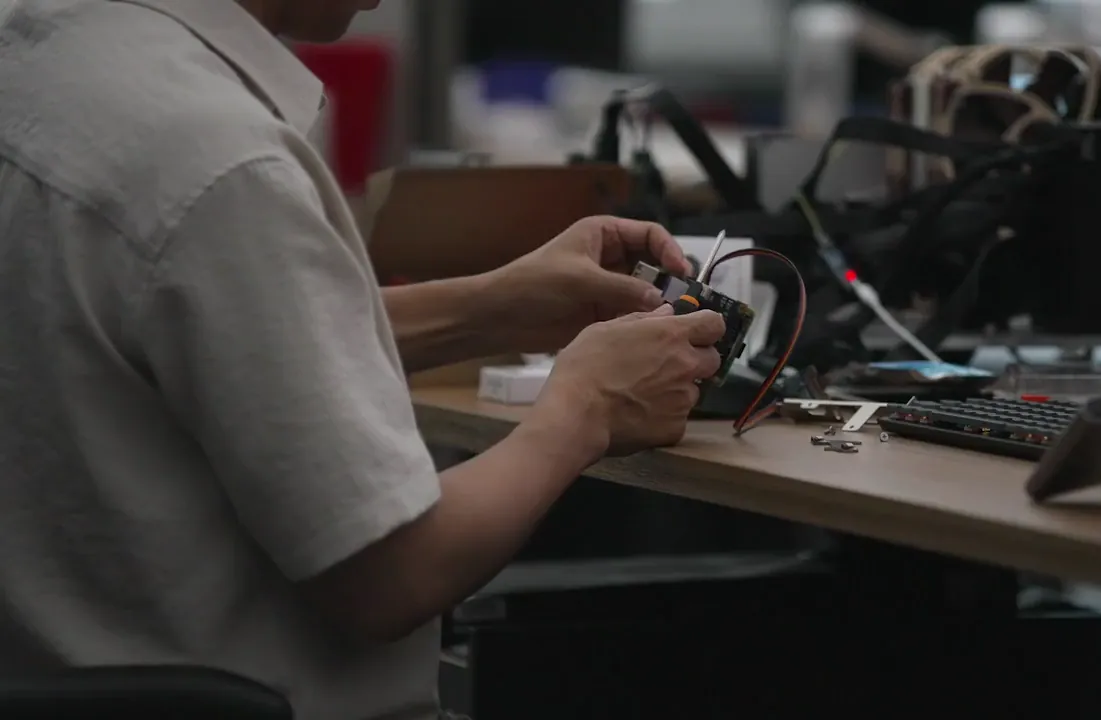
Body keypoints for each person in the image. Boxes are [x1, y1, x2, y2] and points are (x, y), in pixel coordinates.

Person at [0, 1, 727, 719]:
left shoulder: (42, 62)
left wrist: (492, 308)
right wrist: (585, 408)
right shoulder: (215, 159)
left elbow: (206, 340)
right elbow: (397, 575)